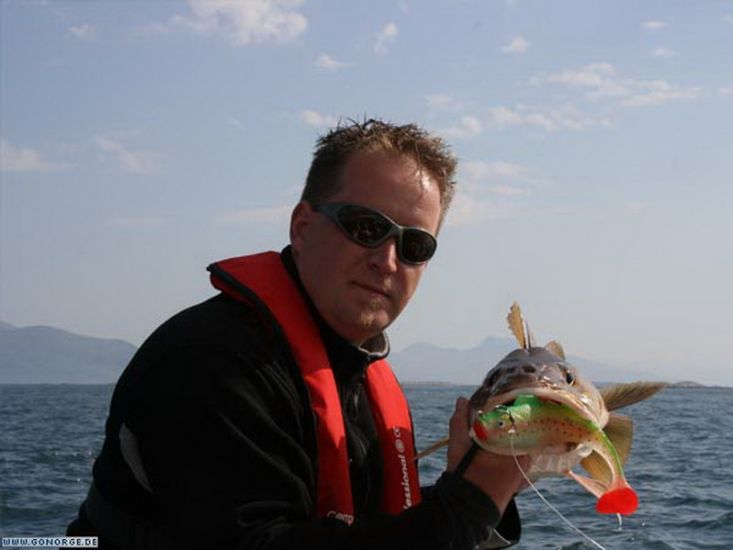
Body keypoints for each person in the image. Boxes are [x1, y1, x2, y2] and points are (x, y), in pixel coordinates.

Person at [67, 119, 528, 549]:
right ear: (302, 227)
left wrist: (480, 488)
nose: (387, 260)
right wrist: (471, 502)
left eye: (414, 245)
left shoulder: (358, 377)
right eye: (366, 227)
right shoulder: (211, 362)